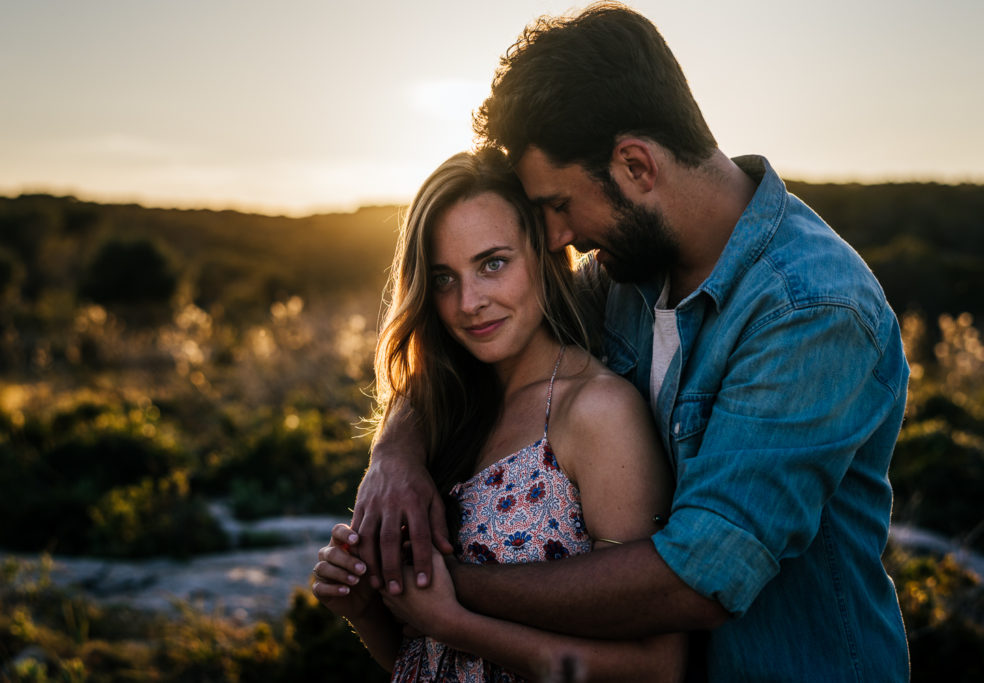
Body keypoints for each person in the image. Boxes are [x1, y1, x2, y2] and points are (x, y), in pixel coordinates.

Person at [349, 3, 911, 681]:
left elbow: (699, 577)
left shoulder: (812, 308)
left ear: (636, 165)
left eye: (558, 205)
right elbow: (477, 343)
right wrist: (395, 453)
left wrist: (442, 588)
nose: (557, 237)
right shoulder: (622, 273)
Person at [312, 148, 687, 681]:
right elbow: (426, 661)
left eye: (493, 264)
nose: (468, 302)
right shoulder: (442, 411)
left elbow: (655, 667)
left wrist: (454, 623)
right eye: (444, 278)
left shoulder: (596, 412)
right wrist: (366, 607)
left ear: (543, 251)